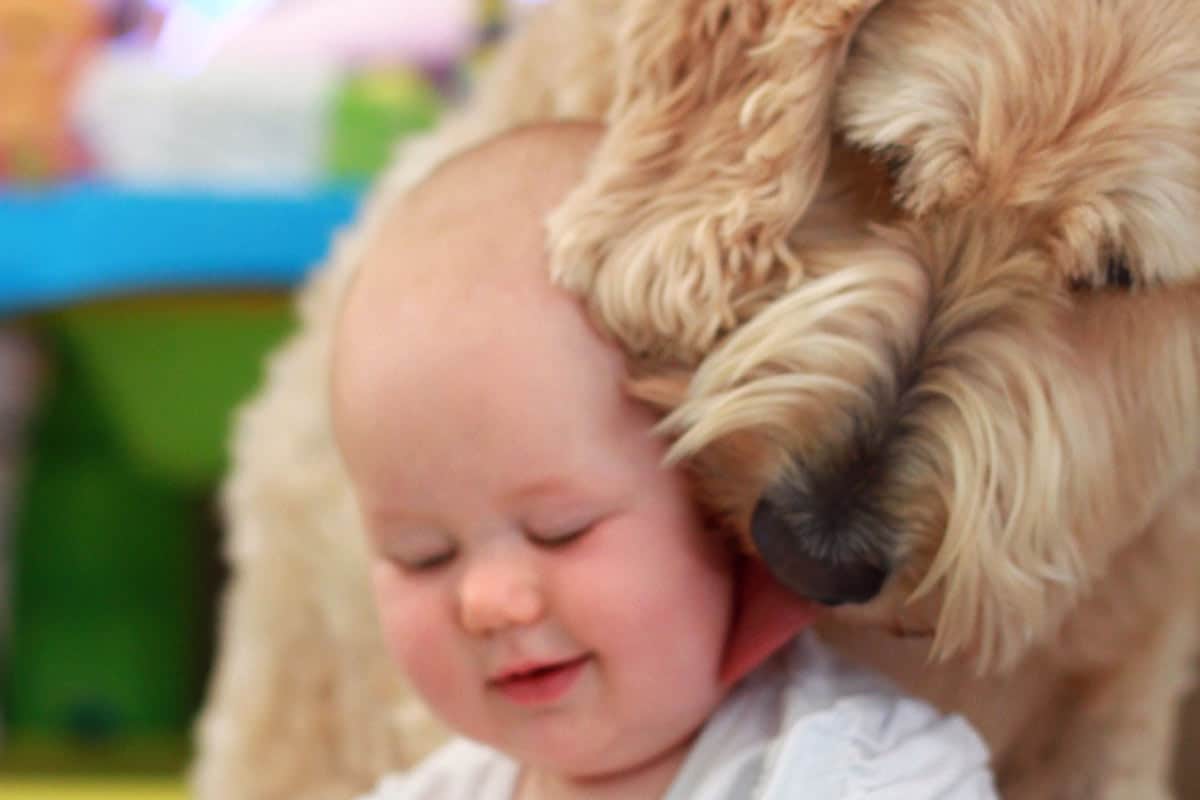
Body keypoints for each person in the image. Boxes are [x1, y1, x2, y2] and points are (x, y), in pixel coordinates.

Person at [329, 121, 999, 800]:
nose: (487, 603)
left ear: (719, 502)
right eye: (422, 555)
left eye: (559, 529)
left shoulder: (865, 773)